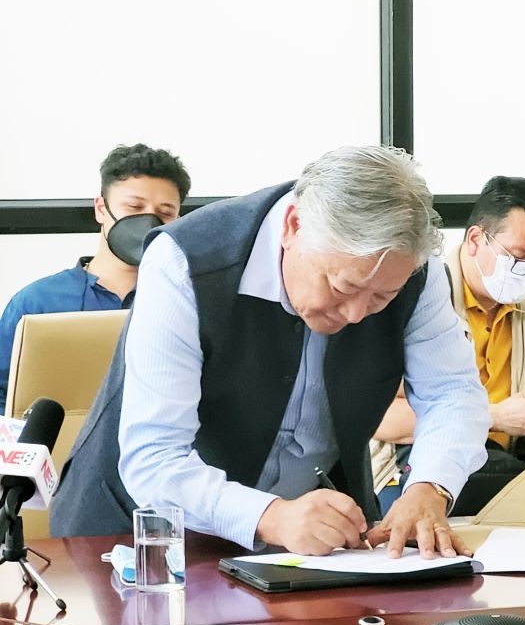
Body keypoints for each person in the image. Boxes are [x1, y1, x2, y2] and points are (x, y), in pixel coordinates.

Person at [51, 145, 492, 559]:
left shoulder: (416, 272)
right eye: (343, 287)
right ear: (293, 227)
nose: (358, 314)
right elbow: (156, 456)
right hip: (139, 537)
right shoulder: (185, 260)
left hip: (312, 545)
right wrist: (272, 515)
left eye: (381, 299)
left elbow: (452, 392)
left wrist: (430, 487)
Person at [372, 176, 525, 515]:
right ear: (476, 239)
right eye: (518, 257)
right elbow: (381, 419)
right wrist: (494, 416)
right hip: (414, 464)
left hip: (501, 463)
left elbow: (514, 440)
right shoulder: (420, 298)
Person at [0, 143, 190, 407]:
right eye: (134, 207)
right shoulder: (37, 302)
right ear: (101, 209)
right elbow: (3, 398)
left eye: (165, 213)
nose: (148, 222)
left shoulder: (189, 301)